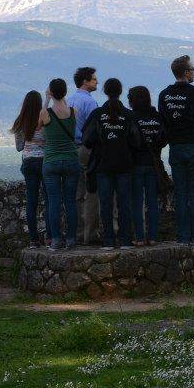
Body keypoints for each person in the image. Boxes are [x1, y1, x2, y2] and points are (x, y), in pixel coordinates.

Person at [158, 55, 194, 244]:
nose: (193, 72)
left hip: (176, 147)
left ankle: (182, 236)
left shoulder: (164, 95)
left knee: (180, 191)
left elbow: (163, 121)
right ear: (186, 72)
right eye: (193, 69)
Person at [83, 78, 143, 250]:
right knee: (125, 204)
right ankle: (125, 240)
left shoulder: (97, 114)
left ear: (105, 92)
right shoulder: (128, 115)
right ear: (120, 91)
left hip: (103, 165)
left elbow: (87, 139)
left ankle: (108, 240)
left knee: (106, 204)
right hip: (125, 165)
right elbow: (136, 141)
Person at [39, 79, 80, 251]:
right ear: (65, 92)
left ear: (51, 92)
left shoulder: (45, 113)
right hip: (71, 159)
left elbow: (38, 127)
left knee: (54, 202)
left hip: (52, 161)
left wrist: (47, 99)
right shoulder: (73, 111)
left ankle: (55, 240)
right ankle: (71, 240)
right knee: (70, 201)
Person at [128, 85, 167, 245]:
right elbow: (164, 139)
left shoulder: (131, 118)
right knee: (152, 202)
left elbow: (129, 141)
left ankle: (138, 237)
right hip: (153, 164)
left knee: (137, 202)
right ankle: (152, 237)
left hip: (136, 164)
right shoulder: (158, 117)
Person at [11, 90, 49, 248]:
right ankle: (51, 238)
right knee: (49, 200)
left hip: (28, 163)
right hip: (44, 162)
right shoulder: (44, 120)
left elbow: (19, 147)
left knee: (31, 202)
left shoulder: (20, 121)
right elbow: (48, 141)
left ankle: (33, 240)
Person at [69, 67, 100, 245]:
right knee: (91, 193)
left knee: (77, 193)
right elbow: (93, 130)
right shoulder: (90, 102)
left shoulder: (69, 100)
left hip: (70, 149)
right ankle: (90, 235)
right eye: (94, 79)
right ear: (85, 82)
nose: (96, 82)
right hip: (85, 149)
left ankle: (78, 233)